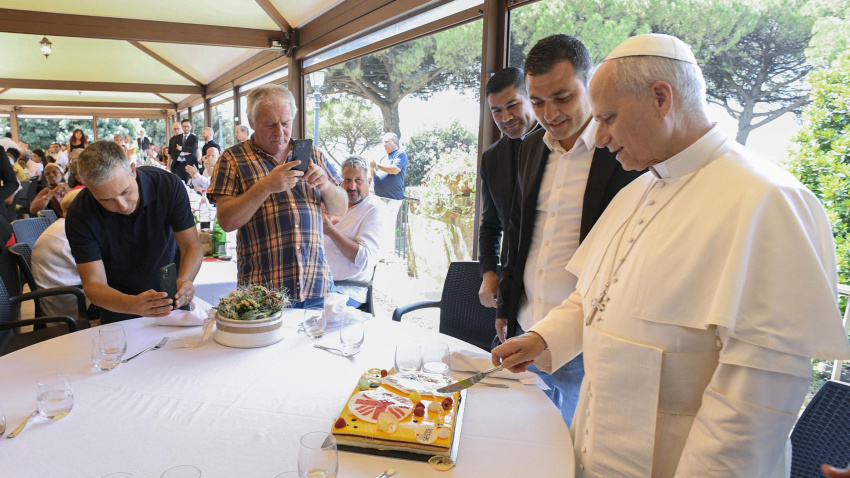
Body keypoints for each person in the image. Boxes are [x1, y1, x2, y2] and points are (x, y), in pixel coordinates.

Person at [492, 33, 850, 476]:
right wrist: (543, 338)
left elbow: (754, 398)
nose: (599, 137)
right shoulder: (637, 190)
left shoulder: (767, 201)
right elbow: (595, 297)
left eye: (608, 118)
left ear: (661, 98)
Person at [496, 34, 642, 426]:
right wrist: (506, 306)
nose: (550, 113)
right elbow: (517, 231)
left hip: (585, 336)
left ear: (588, 84)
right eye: (538, 101)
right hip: (527, 324)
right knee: (523, 435)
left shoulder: (622, 151)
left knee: (572, 445)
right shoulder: (531, 148)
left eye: (563, 97)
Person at [209, 84, 347, 308]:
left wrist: (326, 186)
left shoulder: (312, 154)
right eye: (270, 125)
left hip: (317, 286)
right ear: (252, 122)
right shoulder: (232, 159)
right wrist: (266, 186)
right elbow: (226, 222)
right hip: (263, 296)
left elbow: (341, 209)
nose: (280, 132)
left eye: (286, 123)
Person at [65, 140, 203, 324]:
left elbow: (191, 246)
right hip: (118, 304)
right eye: (106, 200)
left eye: (125, 192)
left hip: (171, 296)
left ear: (132, 170)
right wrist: (133, 305)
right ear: (88, 188)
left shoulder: (167, 185)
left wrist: (185, 281)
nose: (122, 206)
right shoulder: (79, 214)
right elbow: (94, 284)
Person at [478, 67, 538, 309]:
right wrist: (489, 272)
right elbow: (490, 224)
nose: (506, 118)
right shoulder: (491, 158)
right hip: (512, 283)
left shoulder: (558, 144)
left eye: (513, 105)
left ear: (531, 98)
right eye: (497, 111)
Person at [322, 155, 385, 308]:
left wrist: (330, 231)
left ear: (369, 182)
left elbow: (364, 259)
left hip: (344, 291)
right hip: (320, 284)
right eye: (347, 180)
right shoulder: (338, 206)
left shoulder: (374, 209)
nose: (352, 186)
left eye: (359, 181)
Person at [31, 188, 87, 319]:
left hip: (68, 296)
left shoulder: (63, 226)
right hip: (70, 307)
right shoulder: (68, 235)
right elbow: (102, 272)